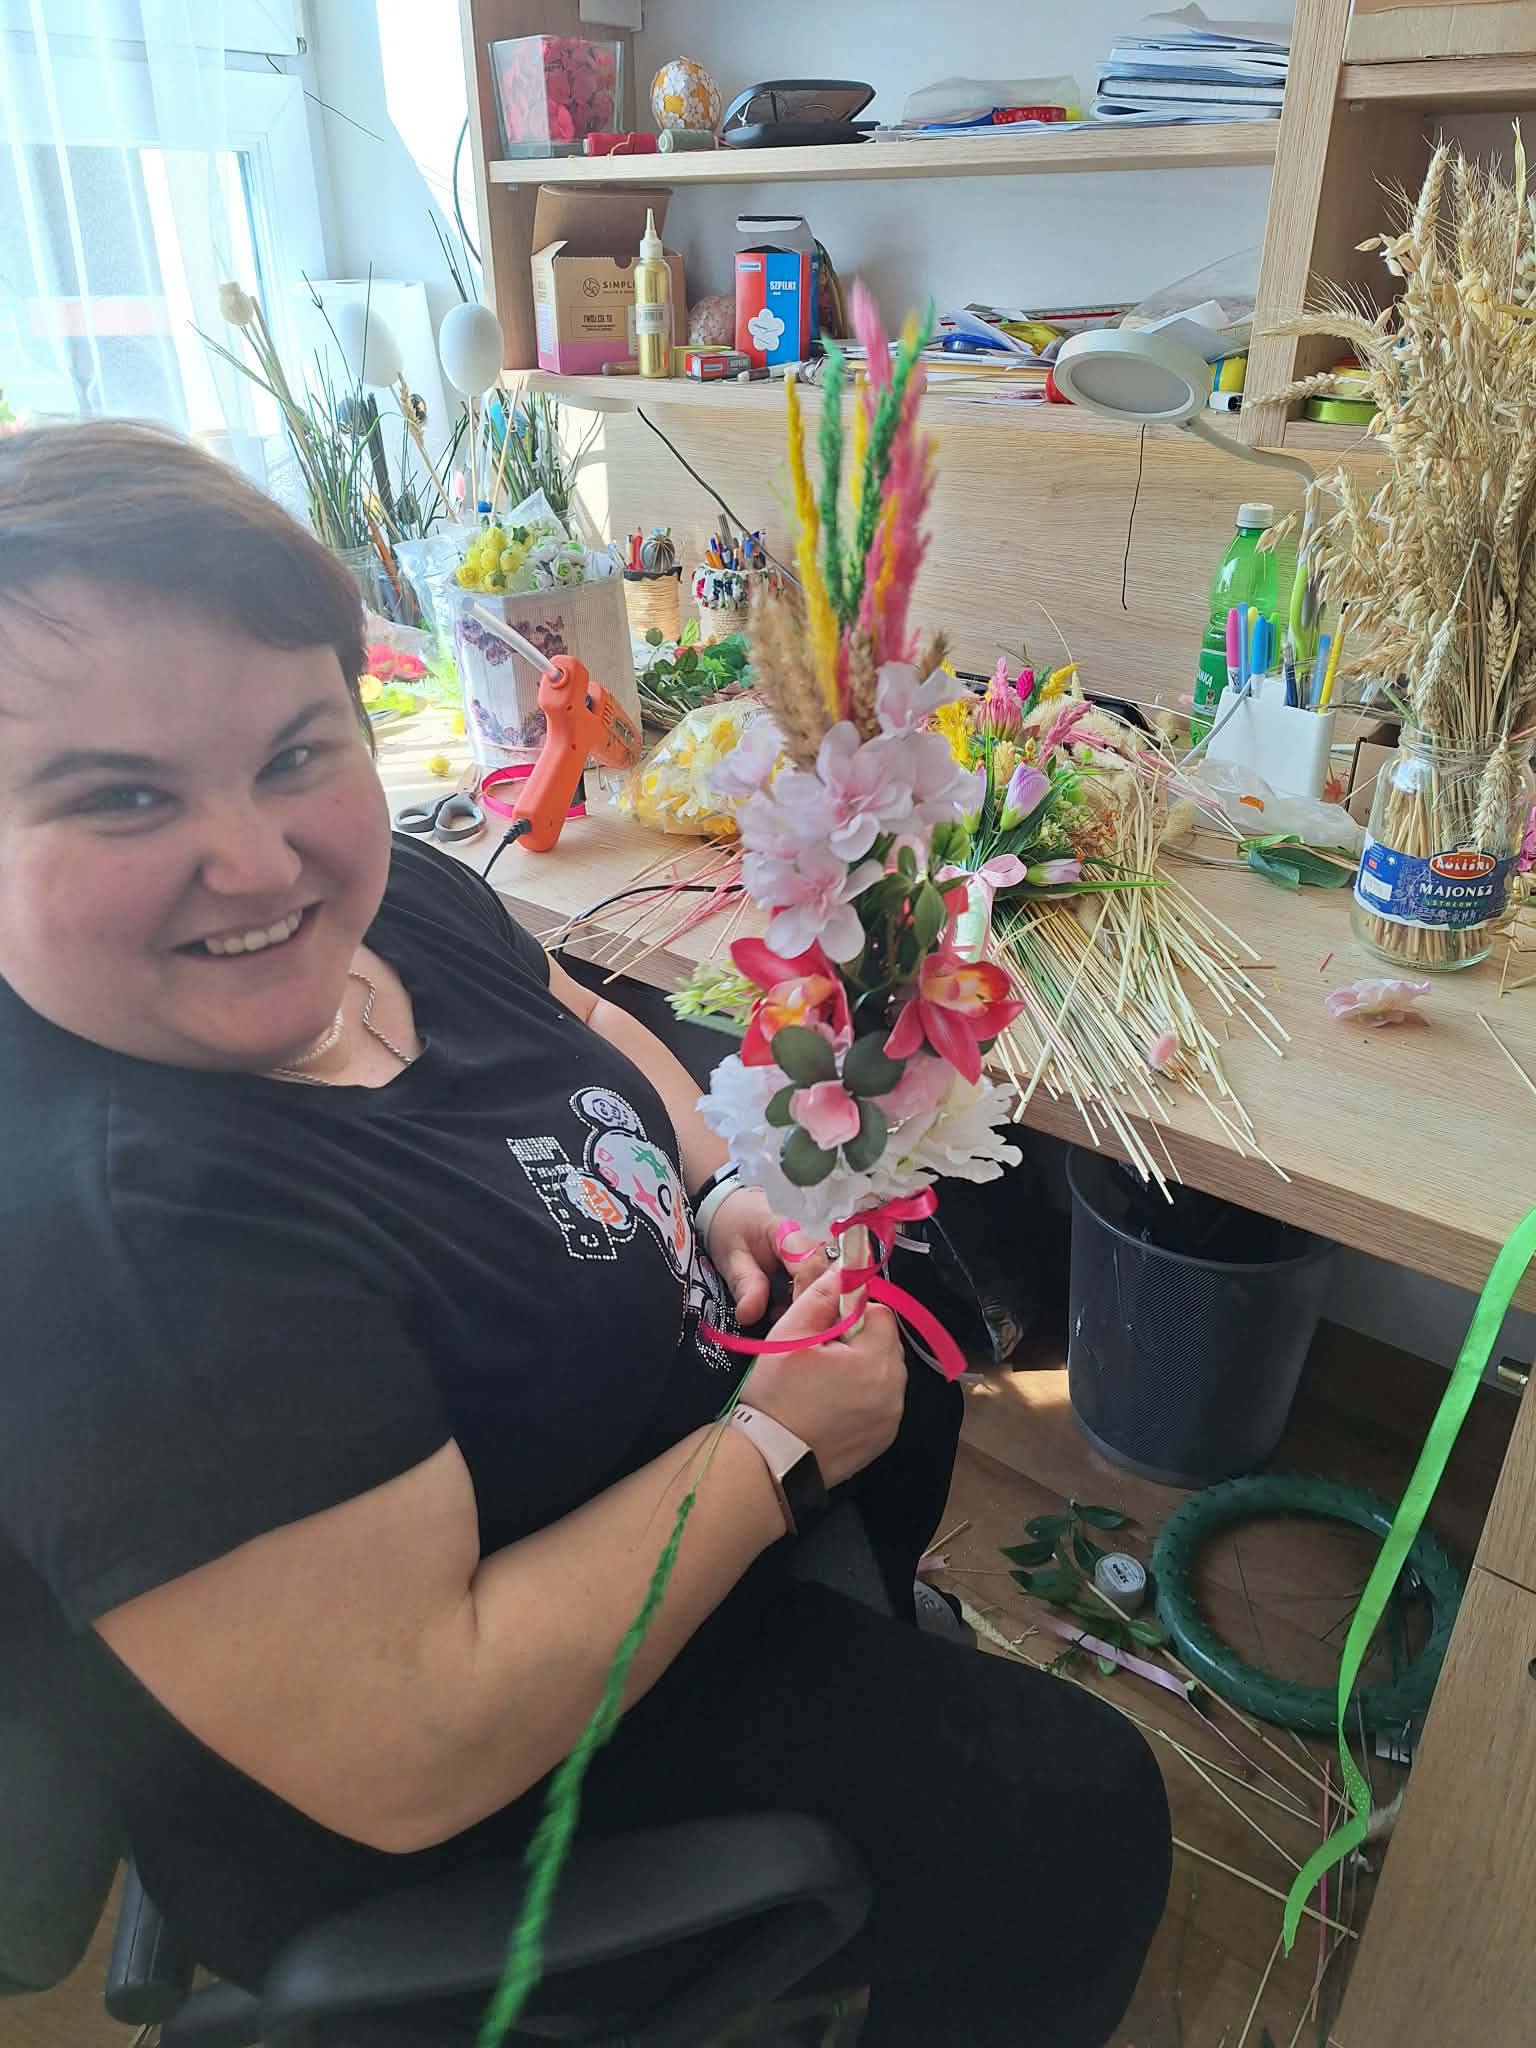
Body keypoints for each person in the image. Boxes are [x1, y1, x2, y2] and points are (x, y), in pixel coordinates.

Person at [0, 421, 1169, 2044]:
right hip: (476, 1781)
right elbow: (422, 1738)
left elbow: (584, 1025)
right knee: (1084, 1813)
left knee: (918, 1335)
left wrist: (720, 1185)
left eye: (294, 752)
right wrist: (771, 1450)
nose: (258, 862)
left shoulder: (388, 902)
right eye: (121, 797)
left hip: (649, 1495)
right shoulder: (118, 1253)